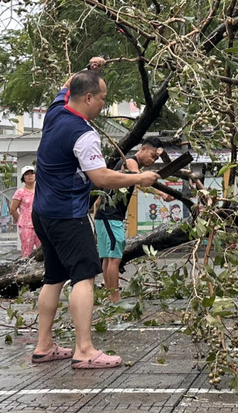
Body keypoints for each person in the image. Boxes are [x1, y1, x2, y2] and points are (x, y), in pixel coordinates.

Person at [31, 57, 159, 369]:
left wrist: (91, 70)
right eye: (102, 98)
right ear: (88, 98)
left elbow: (67, 86)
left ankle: (44, 345)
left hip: (43, 213)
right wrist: (139, 178)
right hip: (67, 216)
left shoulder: (55, 111)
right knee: (84, 277)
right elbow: (100, 178)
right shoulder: (83, 133)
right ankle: (84, 350)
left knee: (54, 277)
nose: (103, 104)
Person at [94, 137, 169, 303]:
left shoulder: (133, 167)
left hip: (109, 216)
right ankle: (115, 299)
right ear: (142, 149)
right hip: (109, 215)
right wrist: (160, 191)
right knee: (114, 258)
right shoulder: (130, 161)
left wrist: (162, 194)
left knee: (108, 258)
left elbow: (140, 184)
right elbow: (140, 180)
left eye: (156, 158)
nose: (152, 159)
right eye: (151, 155)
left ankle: (110, 296)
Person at [10, 166, 41, 258]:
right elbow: (13, 209)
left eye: (32, 173)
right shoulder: (20, 192)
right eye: (27, 174)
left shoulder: (40, 191)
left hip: (40, 225)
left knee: (43, 250)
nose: (30, 176)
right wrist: (21, 220)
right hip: (26, 226)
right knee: (27, 252)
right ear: (23, 177)